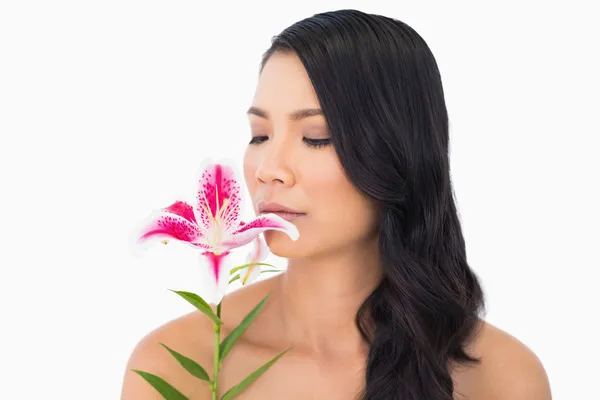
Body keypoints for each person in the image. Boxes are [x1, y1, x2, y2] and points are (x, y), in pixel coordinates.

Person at [121, 9, 551, 400]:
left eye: (316, 137)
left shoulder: (504, 378)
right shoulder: (175, 364)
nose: (269, 169)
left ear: (396, 153)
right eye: (259, 134)